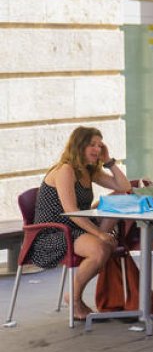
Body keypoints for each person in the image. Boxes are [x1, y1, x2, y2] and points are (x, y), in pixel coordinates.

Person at [29, 126, 131, 321]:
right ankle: (73, 299)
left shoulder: (89, 170)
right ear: (79, 146)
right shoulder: (65, 170)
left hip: (76, 227)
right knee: (100, 250)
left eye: (100, 145)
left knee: (118, 198)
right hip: (53, 232)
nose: (97, 149)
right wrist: (101, 235)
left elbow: (124, 187)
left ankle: (100, 240)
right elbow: (71, 211)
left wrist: (109, 162)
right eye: (92, 145)